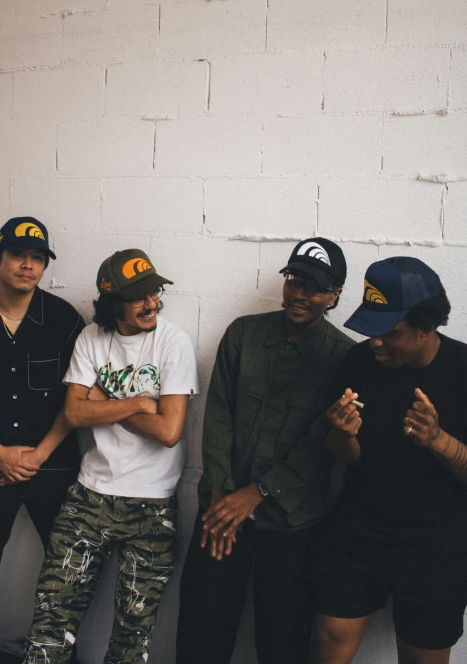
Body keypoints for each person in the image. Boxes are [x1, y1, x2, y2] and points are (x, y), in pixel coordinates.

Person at [176, 237, 355, 664]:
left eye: (314, 287)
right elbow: (217, 416)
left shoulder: (344, 357)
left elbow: (322, 444)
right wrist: (220, 495)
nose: (299, 293)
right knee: (202, 628)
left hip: (292, 522)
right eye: (294, 279)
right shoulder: (244, 333)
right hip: (221, 511)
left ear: (335, 295)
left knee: (282, 639)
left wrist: (257, 493)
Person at [24, 248, 199, 664]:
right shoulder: (91, 338)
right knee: (50, 621)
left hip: (152, 507)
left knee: (131, 640)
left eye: (154, 292)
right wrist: (137, 404)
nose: (151, 303)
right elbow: (74, 412)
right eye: (138, 296)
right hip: (89, 497)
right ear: (111, 301)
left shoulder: (173, 342)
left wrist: (104, 399)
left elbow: (169, 432)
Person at [310, 256, 467, 664]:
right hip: (358, 534)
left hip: (436, 546)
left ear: (425, 327)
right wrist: (342, 435)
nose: (374, 341)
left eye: (388, 332)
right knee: (328, 642)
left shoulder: (463, 371)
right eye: (370, 329)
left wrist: (438, 440)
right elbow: (347, 457)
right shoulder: (358, 362)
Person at [0, 216, 84, 664]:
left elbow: (77, 399)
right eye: (18, 255)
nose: (28, 265)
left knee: (69, 575)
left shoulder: (65, 321)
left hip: (54, 465)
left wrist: (38, 455)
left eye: (37, 258)